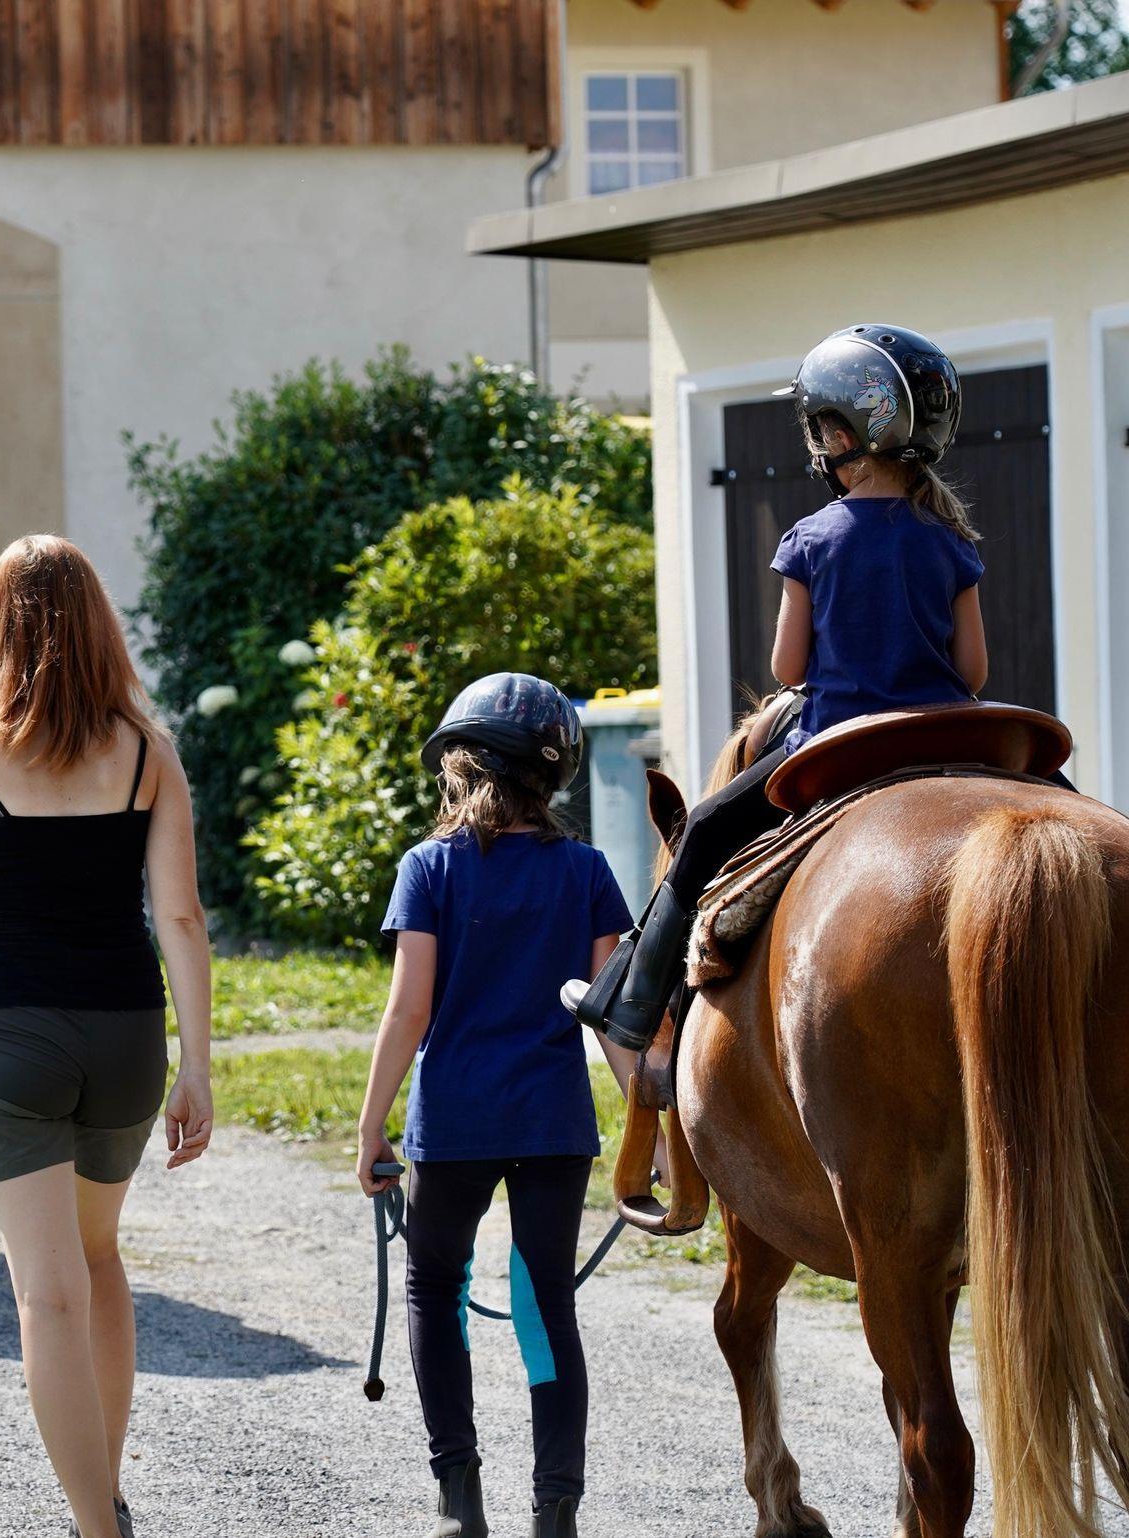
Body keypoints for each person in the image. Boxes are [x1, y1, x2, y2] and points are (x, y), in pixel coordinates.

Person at [0, 536, 214, 1538]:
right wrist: (197, 1066)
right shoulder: (147, 752)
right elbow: (181, 917)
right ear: (98, 624)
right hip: (125, 1038)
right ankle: (103, 1498)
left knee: (46, 1296)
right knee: (98, 1260)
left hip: (12, 1040)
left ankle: (95, 1526)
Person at [564, 322, 990, 1051]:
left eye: (820, 429)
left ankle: (632, 1003)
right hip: (948, 738)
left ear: (845, 434)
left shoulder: (812, 538)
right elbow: (974, 673)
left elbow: (788, 672)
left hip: (838, 744)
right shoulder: (951, 540)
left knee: (702, 829)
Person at [355, 673, 638, 1538]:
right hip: (553, 1123)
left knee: (435, 1288)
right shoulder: (587, 870)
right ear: (549, 777)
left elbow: (408, 1010)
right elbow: (613, 1020)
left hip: (457, 1121)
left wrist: (370, 1128)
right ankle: (556, 1509)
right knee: (545, 1303)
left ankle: (458, 1498)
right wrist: (650, 1127)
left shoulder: (429, 867)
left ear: (462, 764)